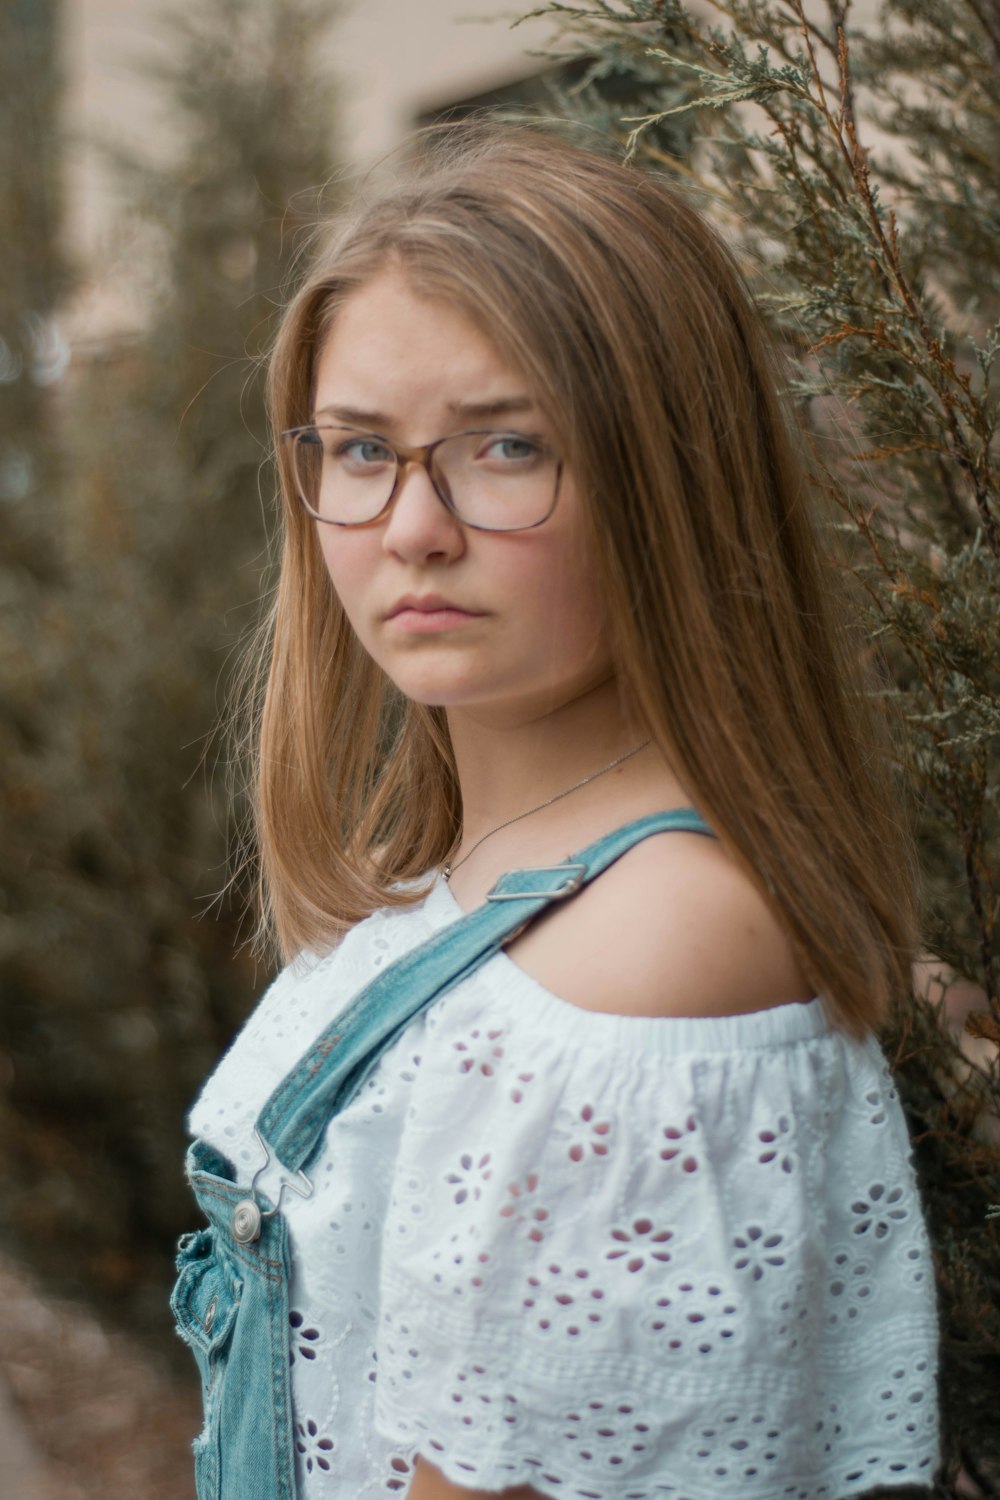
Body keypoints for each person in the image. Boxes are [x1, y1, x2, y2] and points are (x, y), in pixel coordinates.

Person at [173, 126, 940, 1500]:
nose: (412, 526)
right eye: (359, 450)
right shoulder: (455, 867)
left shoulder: (643, 957)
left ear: (668, 476)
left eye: (506, 444)